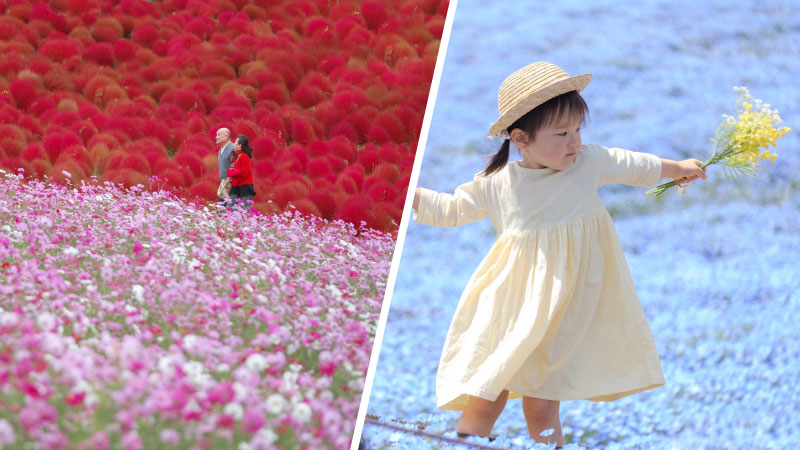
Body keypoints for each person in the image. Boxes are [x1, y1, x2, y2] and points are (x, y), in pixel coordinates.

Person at [411, 62, 706, 447]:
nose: (574, 142)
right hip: (511, 307)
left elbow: (634, 164)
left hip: (563, 309)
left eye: (578, 129)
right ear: (521, 138)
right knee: (487, 395)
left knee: (542, 406)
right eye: (562, 133)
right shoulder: (498, 183)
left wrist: (678, 168)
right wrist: (408, 192)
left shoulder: (588, 164)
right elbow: (449, 210)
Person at [226, 134, 256, 210]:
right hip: (236, 185)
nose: (234, 143)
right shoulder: (236, 156)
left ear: (240, 145)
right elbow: (233, 170)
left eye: (235, 142)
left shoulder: (244, 156)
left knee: (246, 210)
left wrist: (232, 172)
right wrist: (233, 172)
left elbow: (244, 173)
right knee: (231, 207)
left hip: (245, 187)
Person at [215, 127, 235, 204]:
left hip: (231, 183)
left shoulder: (232, 148)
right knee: (221, 206)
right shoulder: (221, 150)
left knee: (222, 206)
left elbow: (234, 166)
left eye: (218, 135)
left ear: (226, 136)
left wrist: (229, 180)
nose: (216, 137)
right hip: (224, 183)